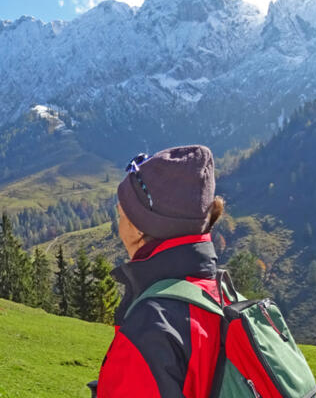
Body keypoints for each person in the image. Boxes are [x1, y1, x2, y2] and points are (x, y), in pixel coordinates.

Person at [92, 145, 226, 398]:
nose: (119, 225)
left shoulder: (151, 327)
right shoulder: (219, 295)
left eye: (120, 215)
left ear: (139, 228)